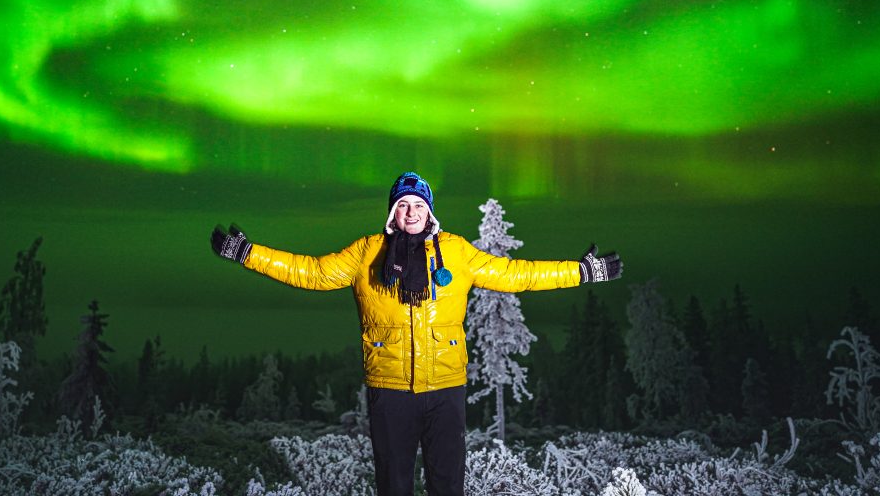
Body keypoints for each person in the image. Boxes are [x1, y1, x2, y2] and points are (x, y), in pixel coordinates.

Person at [210, 171, 623, 496]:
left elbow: (516, 275)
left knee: (448, 487)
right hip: (389, 391)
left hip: (446, 390)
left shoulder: (457, 253)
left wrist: (583, 270)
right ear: (392, 212)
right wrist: (249, 254)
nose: (410, 211)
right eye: (402, 204)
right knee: (394, 487)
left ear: (430, 210)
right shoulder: (366, 253)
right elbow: (312, 272)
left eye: (418, 204)